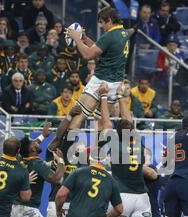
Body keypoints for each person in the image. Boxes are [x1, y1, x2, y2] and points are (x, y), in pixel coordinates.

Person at [98, 84, 161, 217]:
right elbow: (128, 122)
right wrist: (124, 98)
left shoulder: (115, 143)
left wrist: (105, 97)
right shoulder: (139, 143)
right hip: (142, 196)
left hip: (123, 196)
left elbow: (106, 121)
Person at [47, 7, 130, 152]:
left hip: (100, 80)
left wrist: (76, 38)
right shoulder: (124, 34)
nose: (101, 27)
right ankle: (96, 156)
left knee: (79, 115)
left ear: (109, 20)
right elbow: (101, 50)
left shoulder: (109, 36)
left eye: (102, 23)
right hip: (114, 84)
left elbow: (87, 55)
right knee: (101, 122)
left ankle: (65, 150)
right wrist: (85, 39)